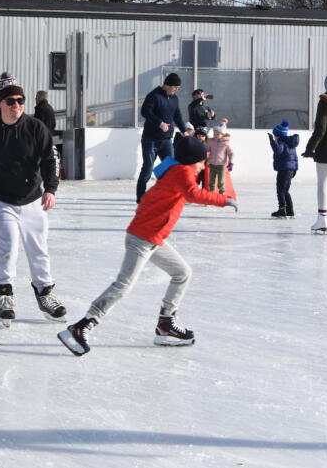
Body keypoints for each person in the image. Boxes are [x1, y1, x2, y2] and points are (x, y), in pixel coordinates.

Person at [58, 136, 238, 356]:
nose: (203, 166)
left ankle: (166, 323)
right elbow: (193, 194)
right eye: (201, 161)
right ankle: (82, 326)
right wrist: (224, 200)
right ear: (192, 160)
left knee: (182, 273)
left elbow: (152, 201)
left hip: (153, 239)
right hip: (143, 238)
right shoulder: (182, 172)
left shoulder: (175, 174)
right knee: (123, 285)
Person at [0, 72, 64, 327]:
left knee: (39, 248)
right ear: (0, 103)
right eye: (11, 101)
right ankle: (5, 295)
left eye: (20, 100)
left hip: (32, 199)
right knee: (8, 246)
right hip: (0, 199)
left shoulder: (35, 127)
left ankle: (45, 294)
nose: (17, 105)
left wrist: (50, 189)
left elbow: (50, 160)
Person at [136, 73, 188, 202]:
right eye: (175, 87)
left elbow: (177, 116)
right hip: (150, 140)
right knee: (147, 169)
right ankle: (141, 197)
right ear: (167, 85)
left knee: (171, 169)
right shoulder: (154, 95)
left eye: (178, 87)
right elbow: (145, 111)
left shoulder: (175, 98)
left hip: (166, 141)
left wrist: (184, 131)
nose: (176, 89)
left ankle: (168, 195)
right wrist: (160, 123)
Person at [304, 69, 327, 234]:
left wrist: (310, 149)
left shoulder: (325, 101)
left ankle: (322, 220)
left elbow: (320, 129)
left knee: (323, 183)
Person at [206, 119, 234, 194]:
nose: (215, 136)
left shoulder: (226, 143)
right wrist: (206, 157)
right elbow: (207, 150)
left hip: (221, 165)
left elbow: (231, 153)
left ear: (222, 134)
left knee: (220, 182)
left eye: (217, 134)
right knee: (211, 181)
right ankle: (211, 195)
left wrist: (231, 163)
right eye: (214, 134)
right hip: (212, 164)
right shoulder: (210, 141)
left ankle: (222, 194)